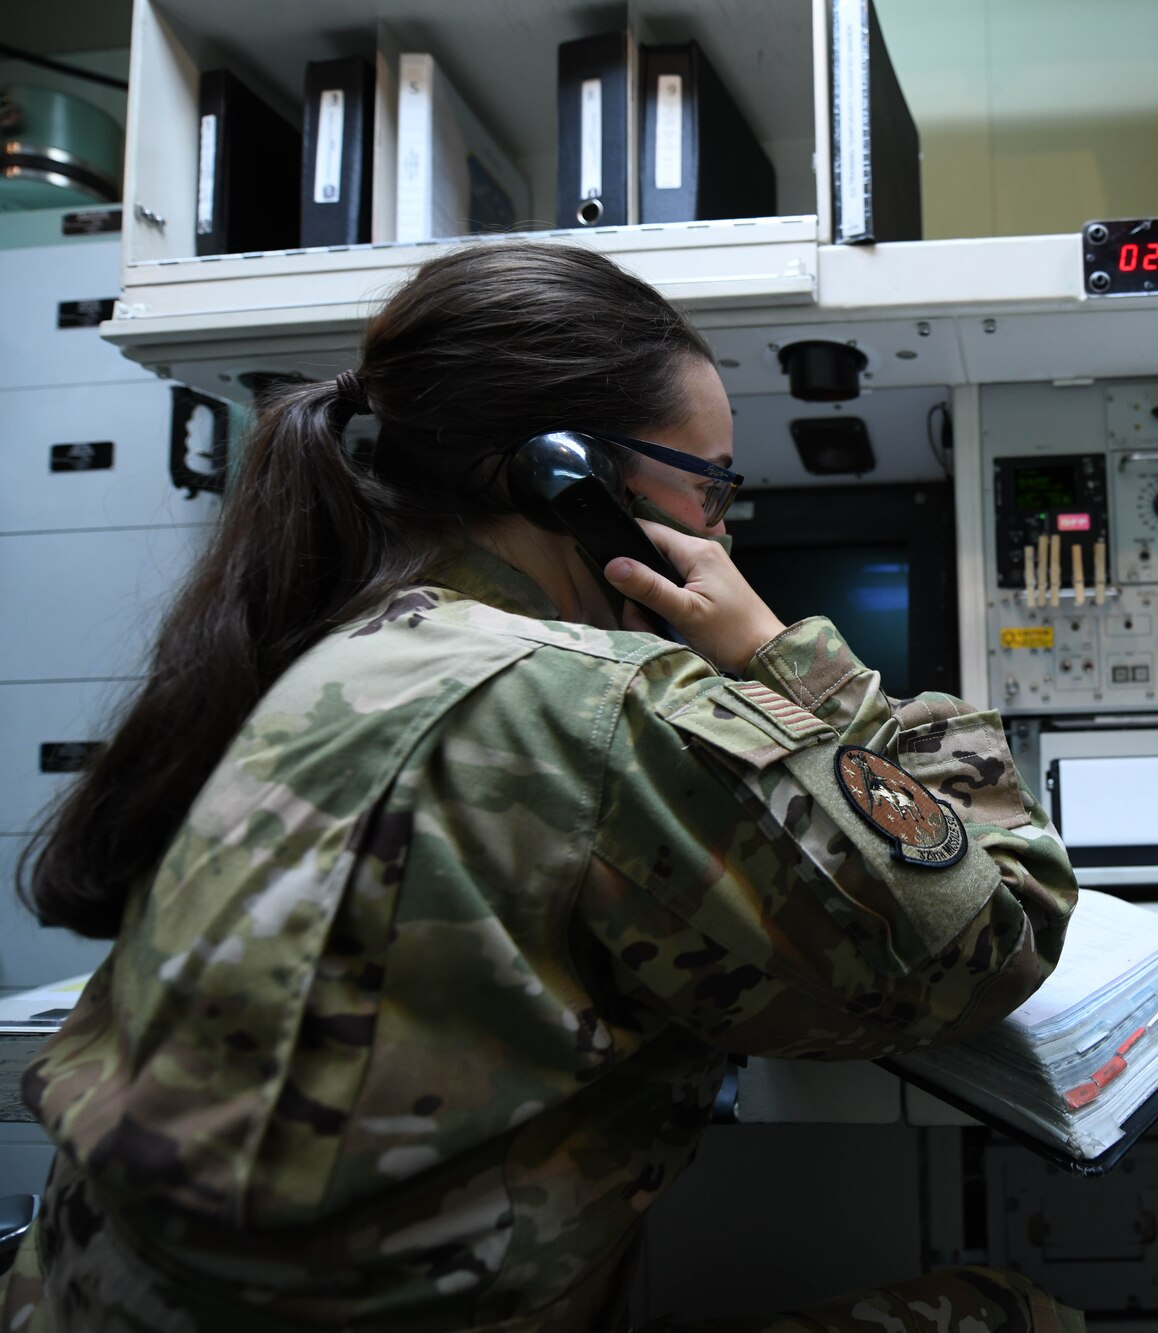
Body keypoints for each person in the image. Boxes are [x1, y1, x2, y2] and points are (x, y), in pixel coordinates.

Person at [1, 243, 1083, 1332]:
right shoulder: (590, 703)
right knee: (1016, 1316)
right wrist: (779, 652)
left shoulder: (314, 652)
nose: (721, 523)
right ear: (574, 483)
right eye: (708, 483)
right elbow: (996, 933)